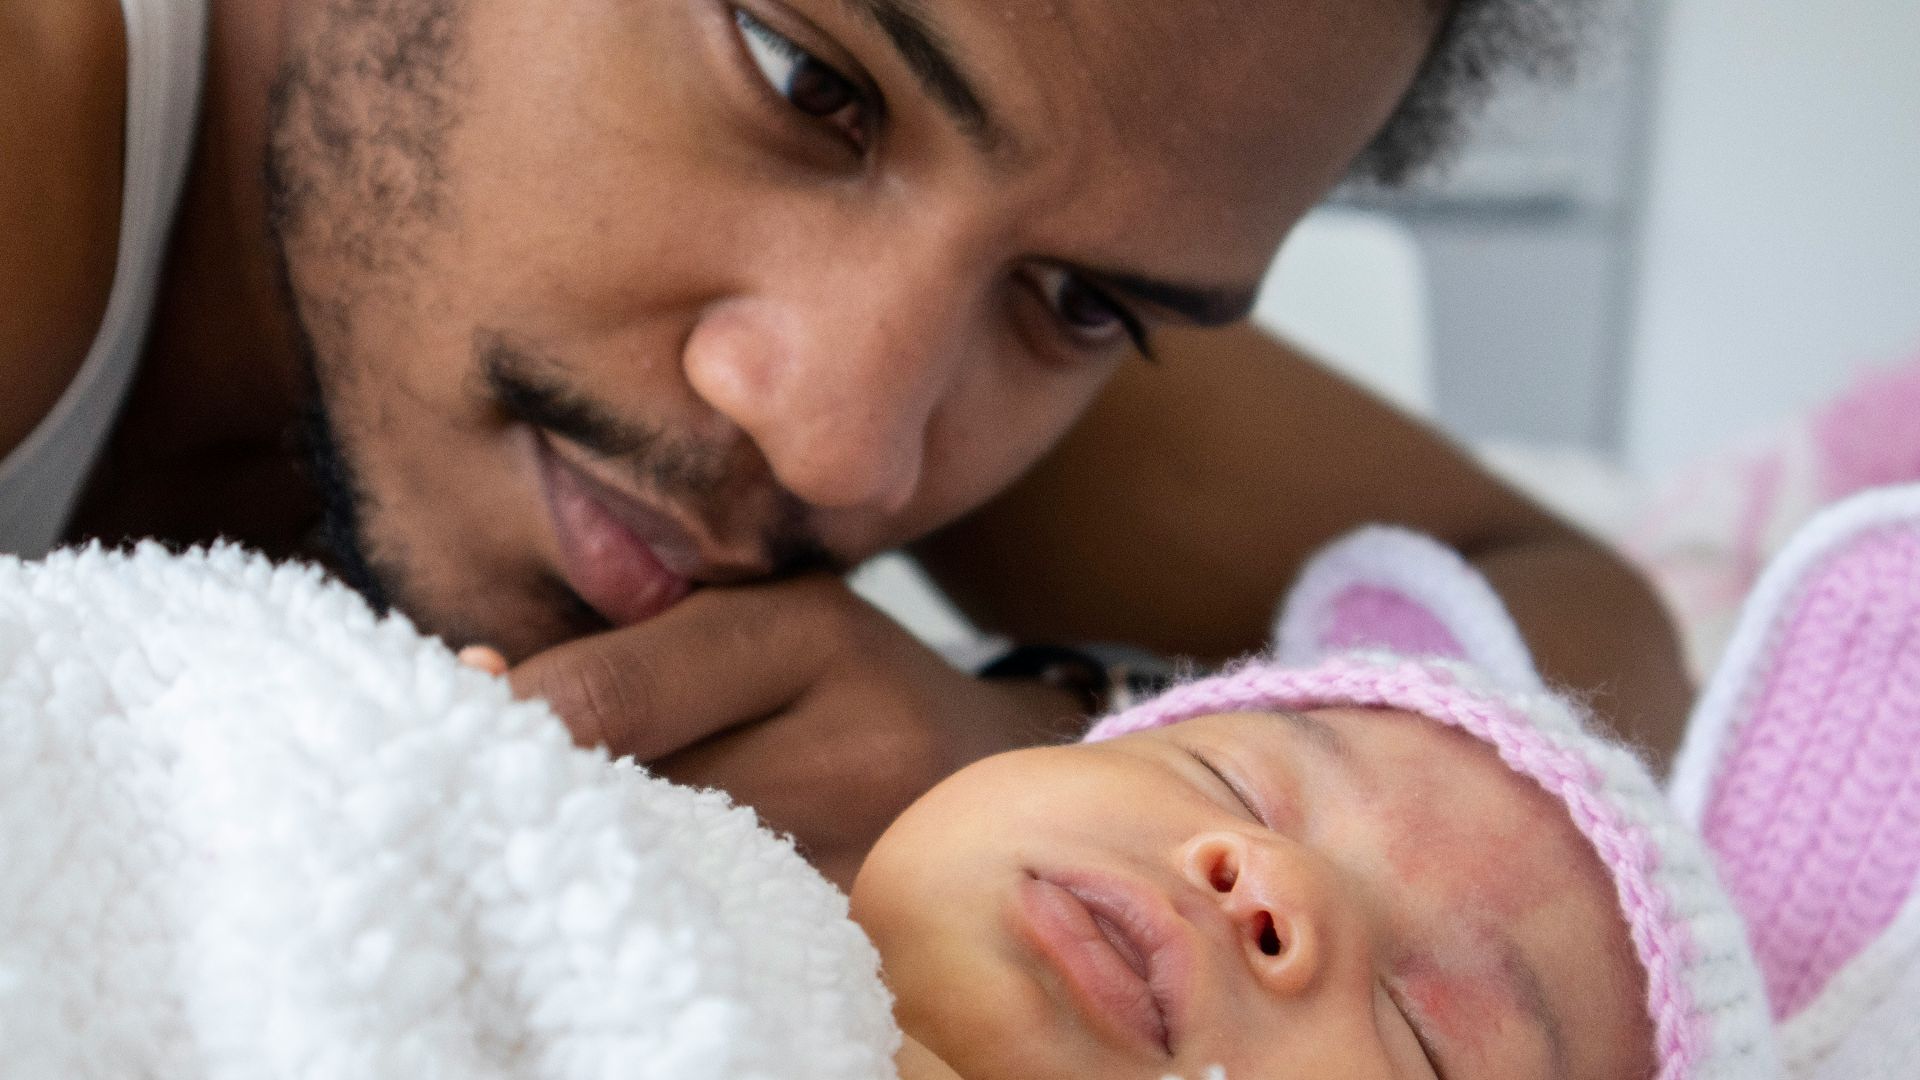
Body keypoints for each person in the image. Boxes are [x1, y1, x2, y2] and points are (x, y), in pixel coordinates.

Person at [0, 0, 1692, 887]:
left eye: (1082, 302)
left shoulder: (960, 284)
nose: (844, 449)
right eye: (805, 79)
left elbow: (1579, 630)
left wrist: (1062, 756)